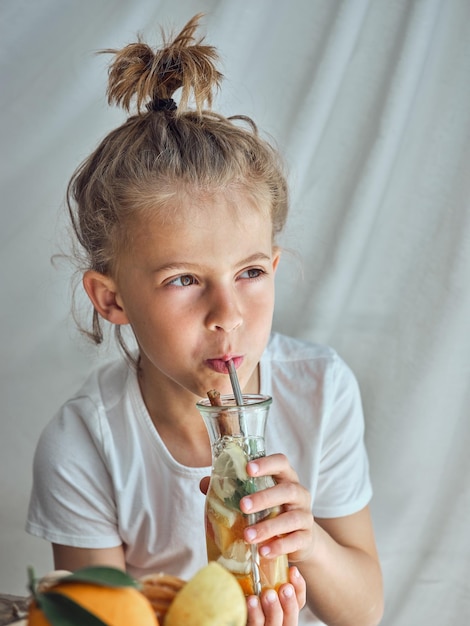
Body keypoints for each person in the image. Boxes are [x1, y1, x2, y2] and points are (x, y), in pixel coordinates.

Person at [26, 14, 383, 626]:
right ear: (111, 299)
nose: (228, 316)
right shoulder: (87, 444)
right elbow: (93, 618)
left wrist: (311, 543)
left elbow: (364, 609)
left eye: (250, 273)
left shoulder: (321, 390)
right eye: (184, 281)